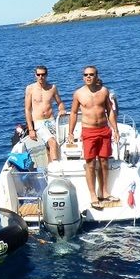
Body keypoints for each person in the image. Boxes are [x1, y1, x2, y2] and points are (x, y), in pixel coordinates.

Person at [67, 66, 119, 208]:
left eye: (91, 74)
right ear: (83, 77)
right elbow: (73, 113)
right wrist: (70, 133)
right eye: (86, 75)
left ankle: (104, 192)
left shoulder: (104, 91)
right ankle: (93, 194)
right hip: (88, 131)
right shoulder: (78, 93)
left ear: (97, 76)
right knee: (90, 164)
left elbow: (110, 111)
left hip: (104, 130)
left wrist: (115, 129)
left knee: (104, 162)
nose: (88, 77)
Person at [24, 65, 67, 162]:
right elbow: (27, 109)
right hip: (39, 122)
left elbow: (59, 103)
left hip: (51, 120)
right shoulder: (30, 89)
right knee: (52, 142)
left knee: (56, 144)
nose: (40, 77)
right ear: (35, 75)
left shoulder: (52, 88)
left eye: (43, 74)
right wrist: (31, 129)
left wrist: (61, 109)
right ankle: (56, 169)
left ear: (46, 75)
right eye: (38, 74)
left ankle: (50, 169)